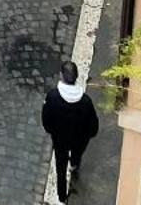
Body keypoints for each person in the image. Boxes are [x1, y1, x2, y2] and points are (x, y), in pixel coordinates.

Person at [40, 62, 99, 201]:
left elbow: (46, 121)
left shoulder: (52, 97)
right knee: (77, 154)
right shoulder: (86, 101)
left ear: (61, 76)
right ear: (77, 77)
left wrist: (53, 132)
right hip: (79, 139)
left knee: (60, 167)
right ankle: (74, 164)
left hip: (60, 140)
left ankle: (61, 197)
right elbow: (93, 127)